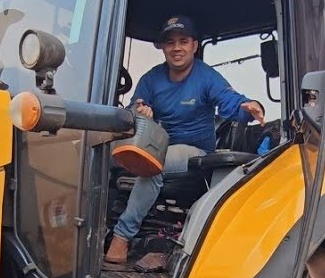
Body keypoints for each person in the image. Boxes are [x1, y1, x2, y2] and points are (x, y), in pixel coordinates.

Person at [105, 15, 266, 264]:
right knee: (103, 152)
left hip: (195, 152)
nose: (176, 48)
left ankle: (121, 237)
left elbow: (229, 100)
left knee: (152, 164)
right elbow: (135, 106)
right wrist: (140, 110)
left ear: (194, 45)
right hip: (161, 144)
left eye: (183, 41)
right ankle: (95, 228)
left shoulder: (206, 77)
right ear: (162, 47)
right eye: (170, 42)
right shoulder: (152, 78)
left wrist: (247, 106)